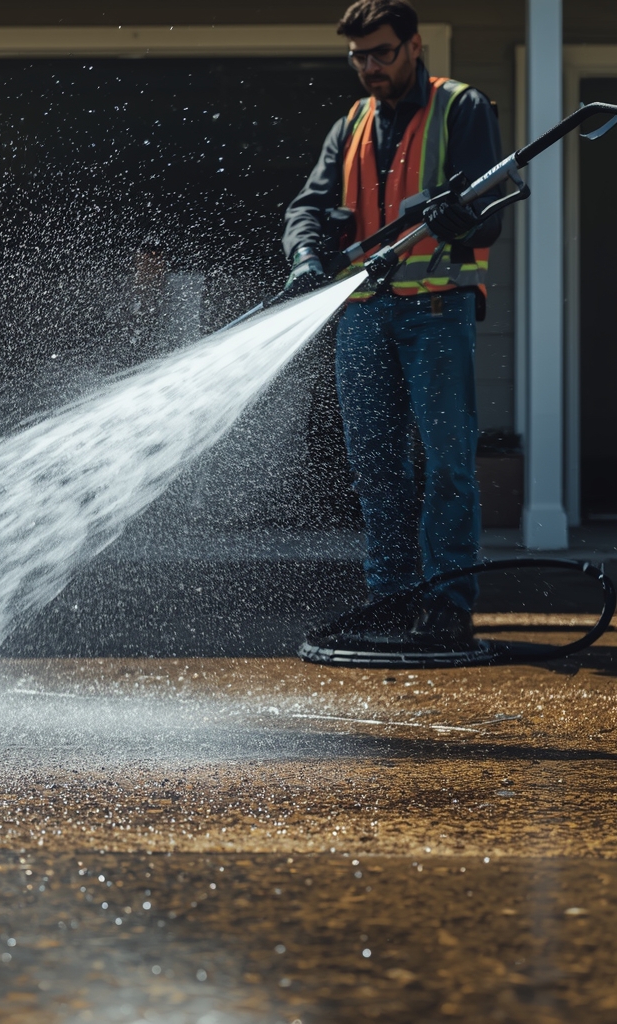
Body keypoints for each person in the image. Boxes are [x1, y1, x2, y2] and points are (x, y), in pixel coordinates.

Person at [282, 0, 503, 646]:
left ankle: (448, 605)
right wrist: (305, 256)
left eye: (382, 52)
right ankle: (392, 598)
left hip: (436, 309)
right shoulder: (351, 124)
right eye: (359, 57)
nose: (370, 67)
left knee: (447, 464)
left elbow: (488, 214)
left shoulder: (461, 108)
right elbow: (308, 206)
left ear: (415, 45)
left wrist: (458, 217)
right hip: (362, 314)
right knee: (376, 467)